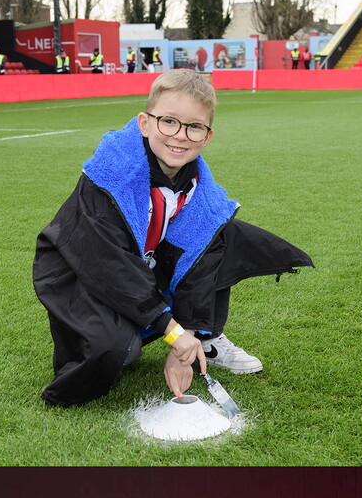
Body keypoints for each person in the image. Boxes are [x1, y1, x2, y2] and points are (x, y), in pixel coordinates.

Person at [33, 69, 313, 407]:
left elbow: (198, 257)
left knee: (219, 234)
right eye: (168, 121)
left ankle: (208, 338)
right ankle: (116, 337)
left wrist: (189, 335)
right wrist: (170, 330)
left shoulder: (200, 190)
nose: (180, 136)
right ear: (144, 123)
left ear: (207, 136)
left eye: (194, 126)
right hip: (81, 271)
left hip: (142, 263)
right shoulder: (110, 176)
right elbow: (108, 264)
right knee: (116, 350)